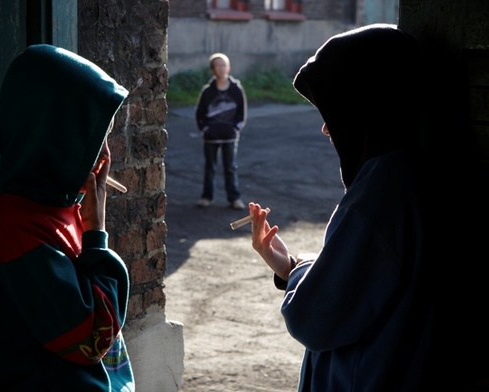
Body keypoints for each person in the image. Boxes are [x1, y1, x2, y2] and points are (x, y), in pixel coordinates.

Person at [248, 24, 474, 391]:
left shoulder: (380, 196)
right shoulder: (416, 173)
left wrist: (301, 271)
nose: (326, 128)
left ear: (366, 103)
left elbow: (315, 318)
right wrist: (289, 266)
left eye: (335, 109)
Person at [0, 44, 135, 391]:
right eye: (93, 142)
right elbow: (92, 340)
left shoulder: (57, 202)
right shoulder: (16, 233)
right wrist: (96, 234)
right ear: (55, 139)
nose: (105, 156)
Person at [195, 52, 247, 210]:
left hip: (229, 137)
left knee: (230, 168)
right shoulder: (207, 91)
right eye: (217, 65)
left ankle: (234, 198)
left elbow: (241, 113)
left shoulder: (236, 90)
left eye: (223, 65)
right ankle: (207, 197)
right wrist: (205, 129)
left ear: (228, 67)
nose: (221, 68)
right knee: (210, 167)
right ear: (212, 70)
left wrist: (236, 128)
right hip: (211, 137)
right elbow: (200, 114)